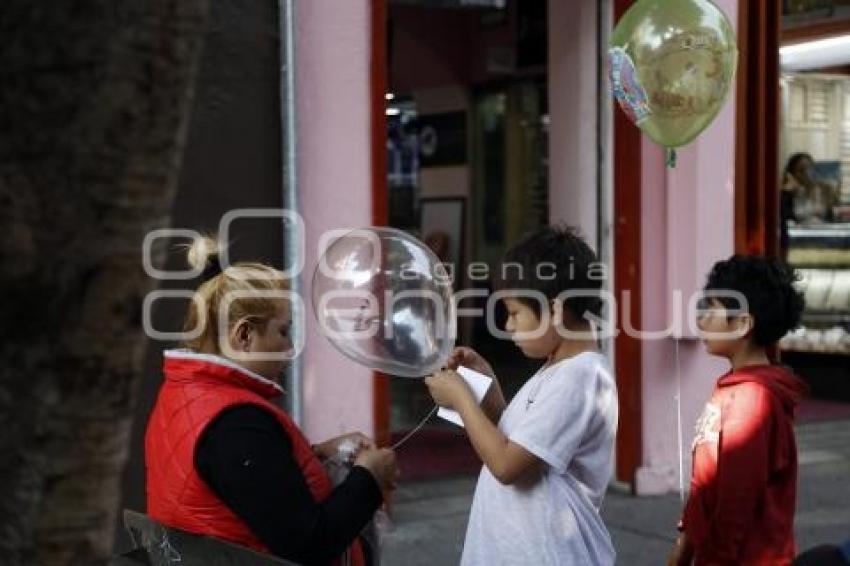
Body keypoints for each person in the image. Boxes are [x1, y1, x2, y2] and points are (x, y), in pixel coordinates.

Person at [145, 236, 398, 566]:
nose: (290, 348)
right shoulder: (236, 425)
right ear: (244, 336)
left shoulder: (186, 392)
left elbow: (246, 486)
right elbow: (310, 545)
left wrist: (316, 454)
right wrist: (369, 479)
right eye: (283, 331)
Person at [425, 225, 618, 566]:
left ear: (556, 310)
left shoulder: (579, 377)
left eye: (514, 313)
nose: (509, 326)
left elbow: (506, 465)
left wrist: (461, 400)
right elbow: (520, 440)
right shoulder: (558, 368)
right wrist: (486, 384)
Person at [668, 255, 808, 566]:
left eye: (712, 309)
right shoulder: (737, 389)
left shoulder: (752, 400)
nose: (702, 320)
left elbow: (736, 500)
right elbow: (706, 486)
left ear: (743, 323)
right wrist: (685, 544)